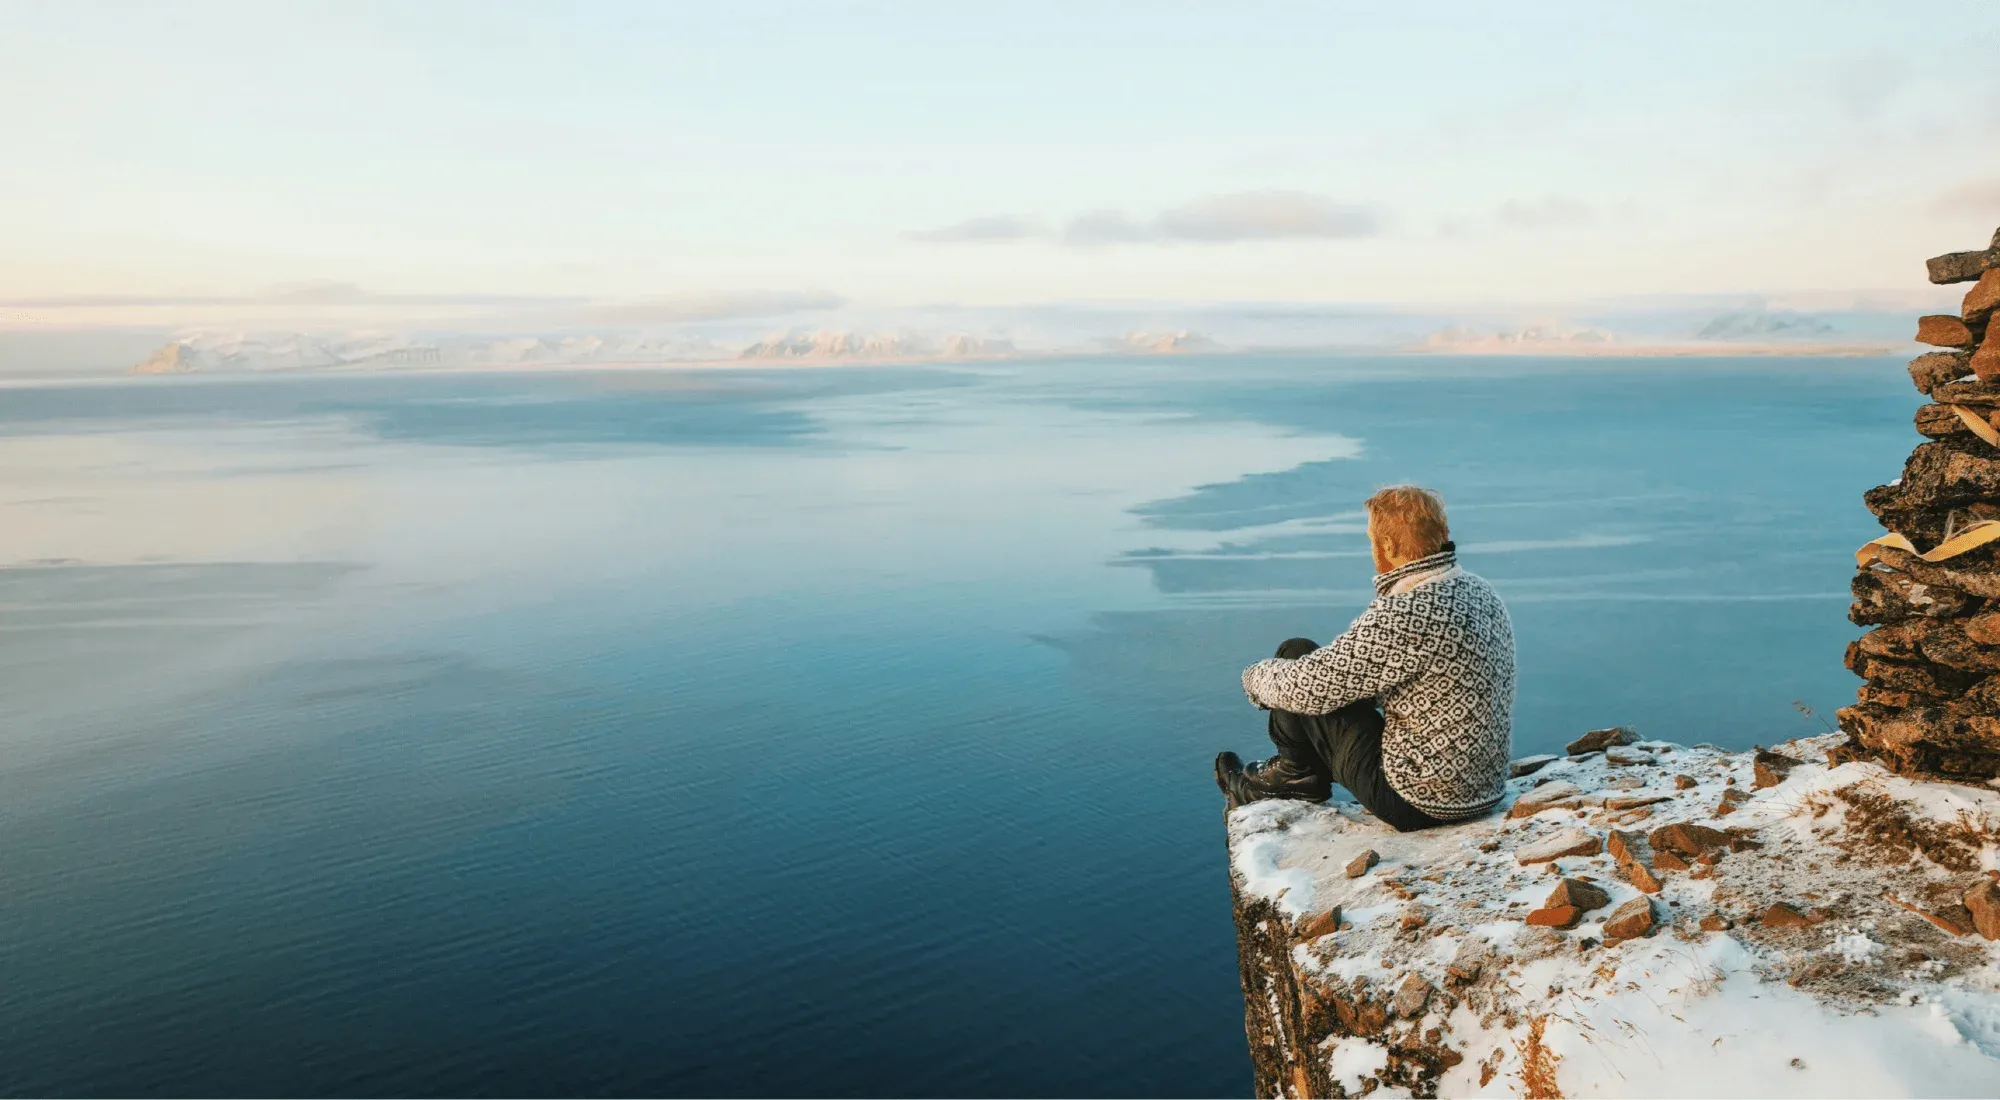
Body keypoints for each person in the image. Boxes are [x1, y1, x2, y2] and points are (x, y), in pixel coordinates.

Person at [1214, 485, 1515, 830]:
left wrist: (1252, 677)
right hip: (1482, 788)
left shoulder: (1406, 611)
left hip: (1418, 802)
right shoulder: (1479, 592)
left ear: (1387, 546)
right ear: (1442, 534)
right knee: (1305, 660)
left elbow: (1308, 688)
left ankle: (1294, 777)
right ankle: (1297, 775)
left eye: (1372, 538)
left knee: (1294, 658)